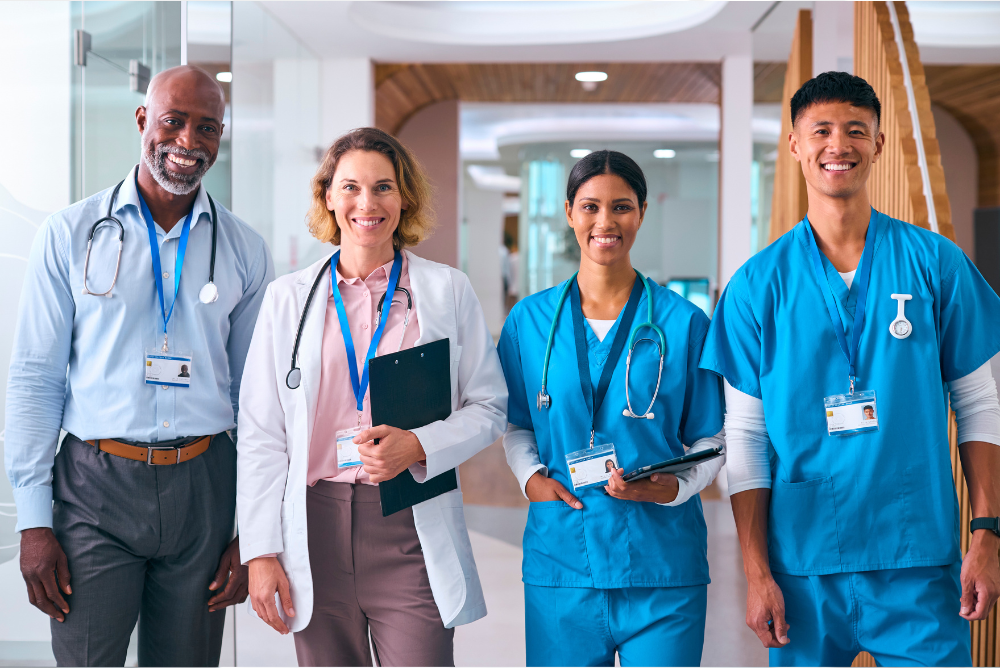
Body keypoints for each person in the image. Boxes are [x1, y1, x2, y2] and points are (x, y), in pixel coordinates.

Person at [700, 71, 1000, 666]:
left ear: (879, 144)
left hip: (916, 557)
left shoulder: (935, 264)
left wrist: (987, 531)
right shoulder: (757, 286)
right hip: (803, 565)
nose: (839, 145)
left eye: (856, 130)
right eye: (822, 131)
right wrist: (756, 572)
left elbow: (978, 403)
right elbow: (746, 437)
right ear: (794, 145)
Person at [5, 65, 274, 666]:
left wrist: (254, 533)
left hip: (204, 485)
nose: (187, 142)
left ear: (220, 136)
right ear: (142, 121)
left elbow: (259, 403)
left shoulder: (244, 250)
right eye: (173, 121)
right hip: (96, 485)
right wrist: (32, 522)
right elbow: (34, 379)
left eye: (207, 128)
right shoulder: (70, 234)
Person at [237, 127, 508, 667]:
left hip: (409, 521)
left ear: (404, 198)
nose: (368, 203)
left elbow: (490, 406)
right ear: (329, 198)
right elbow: (261, 433)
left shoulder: (446, 290)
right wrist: (261, 550)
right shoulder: (285, 299)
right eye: (351, 187)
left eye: (383, 187)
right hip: (313, 529)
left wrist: (419, 445)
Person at [497, 150, 725, 667]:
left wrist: (676, 488)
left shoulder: (683, 322)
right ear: (569, 212)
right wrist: (530, 477)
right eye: (590, 206)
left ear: (642, 212)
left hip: (662, 563)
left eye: (621, 207)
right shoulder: (530, 322)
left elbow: (712, 439)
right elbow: (516, 423)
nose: (606, 222)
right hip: (564, 558)